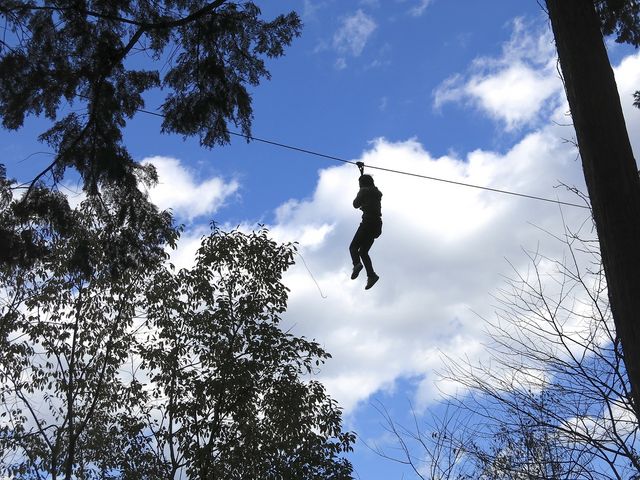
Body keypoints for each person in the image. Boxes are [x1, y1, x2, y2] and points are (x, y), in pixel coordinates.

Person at [349, 172, 382, 290]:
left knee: (353, 247)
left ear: (362, 184)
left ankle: (356, 264)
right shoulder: (376, 193)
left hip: (367, 222)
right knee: (363, 252)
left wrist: (360, 191)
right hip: (377, 225)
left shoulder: (363, 191)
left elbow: (355, 204)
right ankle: (371, 275)